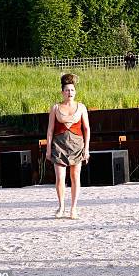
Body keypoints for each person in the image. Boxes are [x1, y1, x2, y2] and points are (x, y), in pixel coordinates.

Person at [45, 73, 91, 219]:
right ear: (62, 92)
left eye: (72, 90)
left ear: (75, 91)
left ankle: (74, 208)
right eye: (67, 90)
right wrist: (48, 149)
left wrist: (87, 149)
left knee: (75, 176)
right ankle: (61, 207)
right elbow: (50, 130)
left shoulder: (81, 107)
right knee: (60, 177)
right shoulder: (55, 108)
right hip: (59, 145)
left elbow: (87, 129)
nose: (69, 93)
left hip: (77, 145)